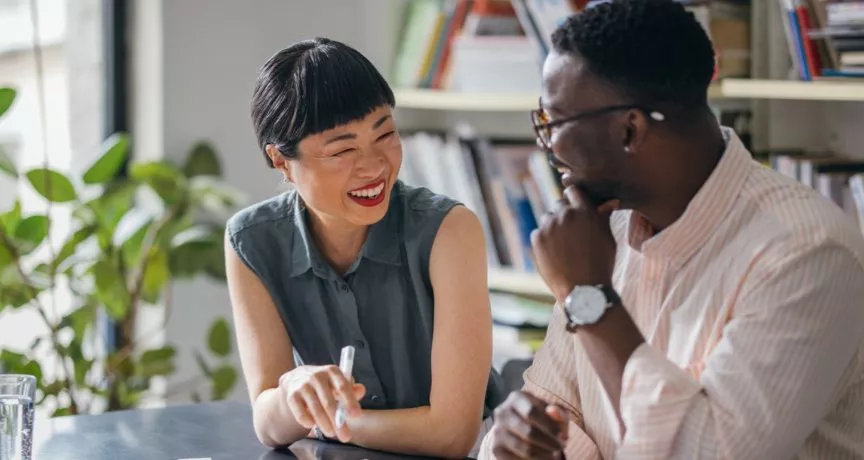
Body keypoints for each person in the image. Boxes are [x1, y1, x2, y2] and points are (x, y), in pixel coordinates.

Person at [481, 1, 864, 459]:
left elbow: (705, 452)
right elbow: (558, 407)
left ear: (629, 131)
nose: (546, 145)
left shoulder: (806, 253)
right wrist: (521, 438)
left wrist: (588, 296)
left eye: (554, 122)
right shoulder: (606, 231)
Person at [225, 37, 505, 459]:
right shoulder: (251, 240)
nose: (375, 166)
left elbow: (452, 435)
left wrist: (328, 421)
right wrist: (291, 393)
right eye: (342, 150)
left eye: (385, 133)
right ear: (282, 161)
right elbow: (267, 422)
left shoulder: (449, 230)